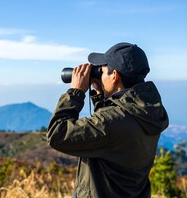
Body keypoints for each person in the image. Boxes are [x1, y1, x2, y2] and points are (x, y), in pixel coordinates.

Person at [47, 42, 169, 198]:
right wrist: (100, 97)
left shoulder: (111, 122)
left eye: (102, 70)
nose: (99, 74)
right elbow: (110, 136)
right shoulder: (148, 112)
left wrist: (75, 93)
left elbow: (57, 135)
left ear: (115, 76)